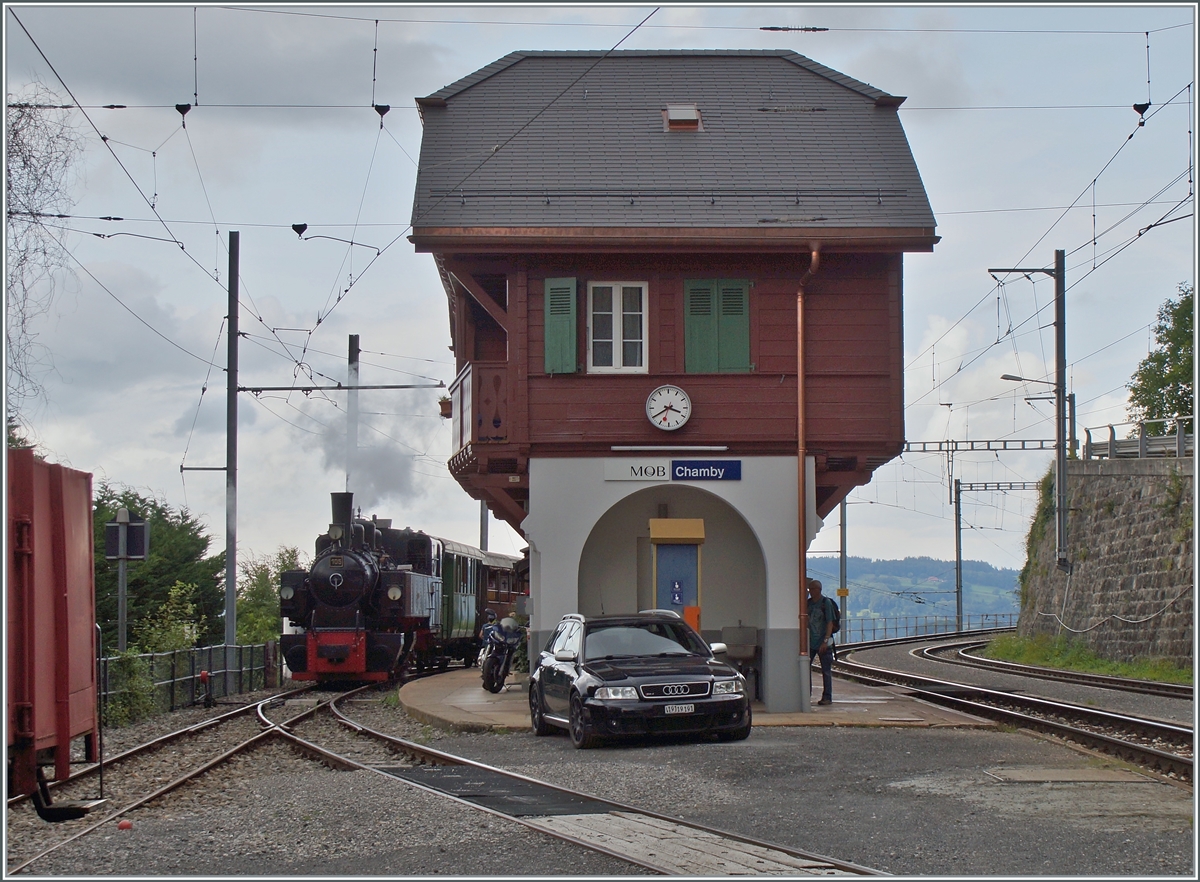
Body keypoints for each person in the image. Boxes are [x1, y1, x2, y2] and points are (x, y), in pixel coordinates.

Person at [807, 579, 835, 706]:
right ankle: (806, 694)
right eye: (809, 589)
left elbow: (830, 622)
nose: (810, 592)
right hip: (810, 642)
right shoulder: (808, 604)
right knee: (805, 669)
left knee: (826, 671)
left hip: (823, 643)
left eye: (812, 589)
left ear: (818, 589)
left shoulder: (826, 603)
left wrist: (825, 640)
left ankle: (827, 697)